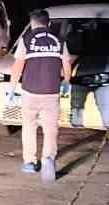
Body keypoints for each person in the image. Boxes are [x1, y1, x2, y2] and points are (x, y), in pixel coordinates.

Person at [9, 10, 73, 181]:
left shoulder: (26, 39)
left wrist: (12, 88)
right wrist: (66, 82)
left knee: (29, 127)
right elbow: (66, 63)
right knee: (50, 128)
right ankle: (48, 158)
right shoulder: (59, 40)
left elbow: (18, 65)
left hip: (30, 91)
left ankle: (30, 162)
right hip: (51, 91)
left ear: (32, 23)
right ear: (48, 23)